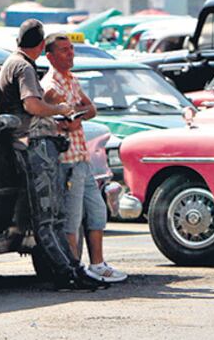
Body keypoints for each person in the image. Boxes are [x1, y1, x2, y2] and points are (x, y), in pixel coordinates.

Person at [0, 19, 105, 291]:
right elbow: (32, 105)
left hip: (31, 143)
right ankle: (68, 271)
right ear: (42, 45)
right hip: (34, 143)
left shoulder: (14, 63)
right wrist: (60, 110)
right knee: (49, 217)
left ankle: (72, 268)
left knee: (54, 215)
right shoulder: (23, 66)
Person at [42, 33, 128, 284]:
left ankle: (97, 264)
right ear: (50, 56)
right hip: (67, 159)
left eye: (71, 49)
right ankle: (73, 268)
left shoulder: (72, 80)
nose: (70, 54)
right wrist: (63, 115)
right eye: (64, 51)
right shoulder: (51, 83)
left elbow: (90, 109)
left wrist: (76, 115)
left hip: (82, 156)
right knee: (72, 215)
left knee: (97, 210)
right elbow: (49, 106)